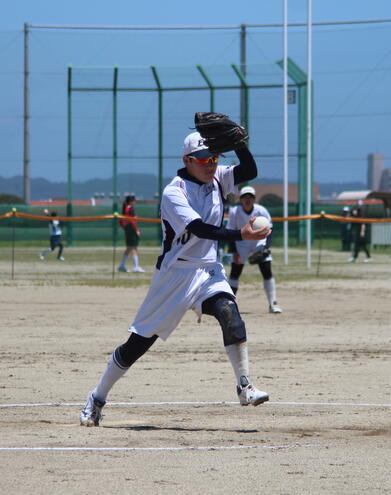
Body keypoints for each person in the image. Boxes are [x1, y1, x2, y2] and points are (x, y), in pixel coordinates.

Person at [78, 126, 271, 427]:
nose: (210, 164)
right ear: (187, 160)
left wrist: (239, 144)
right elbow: (200, 229)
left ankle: (245, 386)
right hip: (174, 276)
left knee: (230, 314)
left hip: (208, 270)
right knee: (137, 345)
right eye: (203, 159)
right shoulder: (174, 192)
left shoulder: (218, 178)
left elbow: (250, 170)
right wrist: (240, 235)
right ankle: (97, 397)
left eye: (214, 158)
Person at [226, 185, 282, 313]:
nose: (247, 199)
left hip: (259, 242)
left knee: (266, 270)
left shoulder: (261, 210)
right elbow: (230, 231)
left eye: (250, 197)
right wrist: (234, 251)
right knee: (235, 272)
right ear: (240, 199)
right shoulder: (234, 211)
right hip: (241, 242)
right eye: (244, 197)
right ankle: (229, 303)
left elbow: (270, 229)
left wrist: (265, 248)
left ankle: (273, 303)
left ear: (254, 199)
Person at [117, 195, 144, 273]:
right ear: (131, 201)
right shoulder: (130, 208)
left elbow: (121, 221)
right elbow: (132, 221)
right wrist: (136, 230)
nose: (135, 202)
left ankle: (122, 265)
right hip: (131, 228)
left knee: (129, 247)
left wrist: (125, 227)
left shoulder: (126, 208)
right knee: (133, 247)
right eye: (134, 201)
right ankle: (136, 267)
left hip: (128, 228)